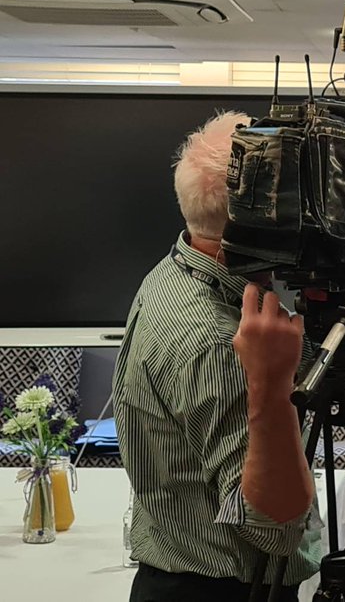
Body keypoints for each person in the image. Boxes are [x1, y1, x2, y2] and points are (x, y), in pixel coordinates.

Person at [112, 111, 321, 602]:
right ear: (259, 229)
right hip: (222, 590)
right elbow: (276, 528)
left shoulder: (175, 269)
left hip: (176, 575)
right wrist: (269, 386)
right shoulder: (221, 344)